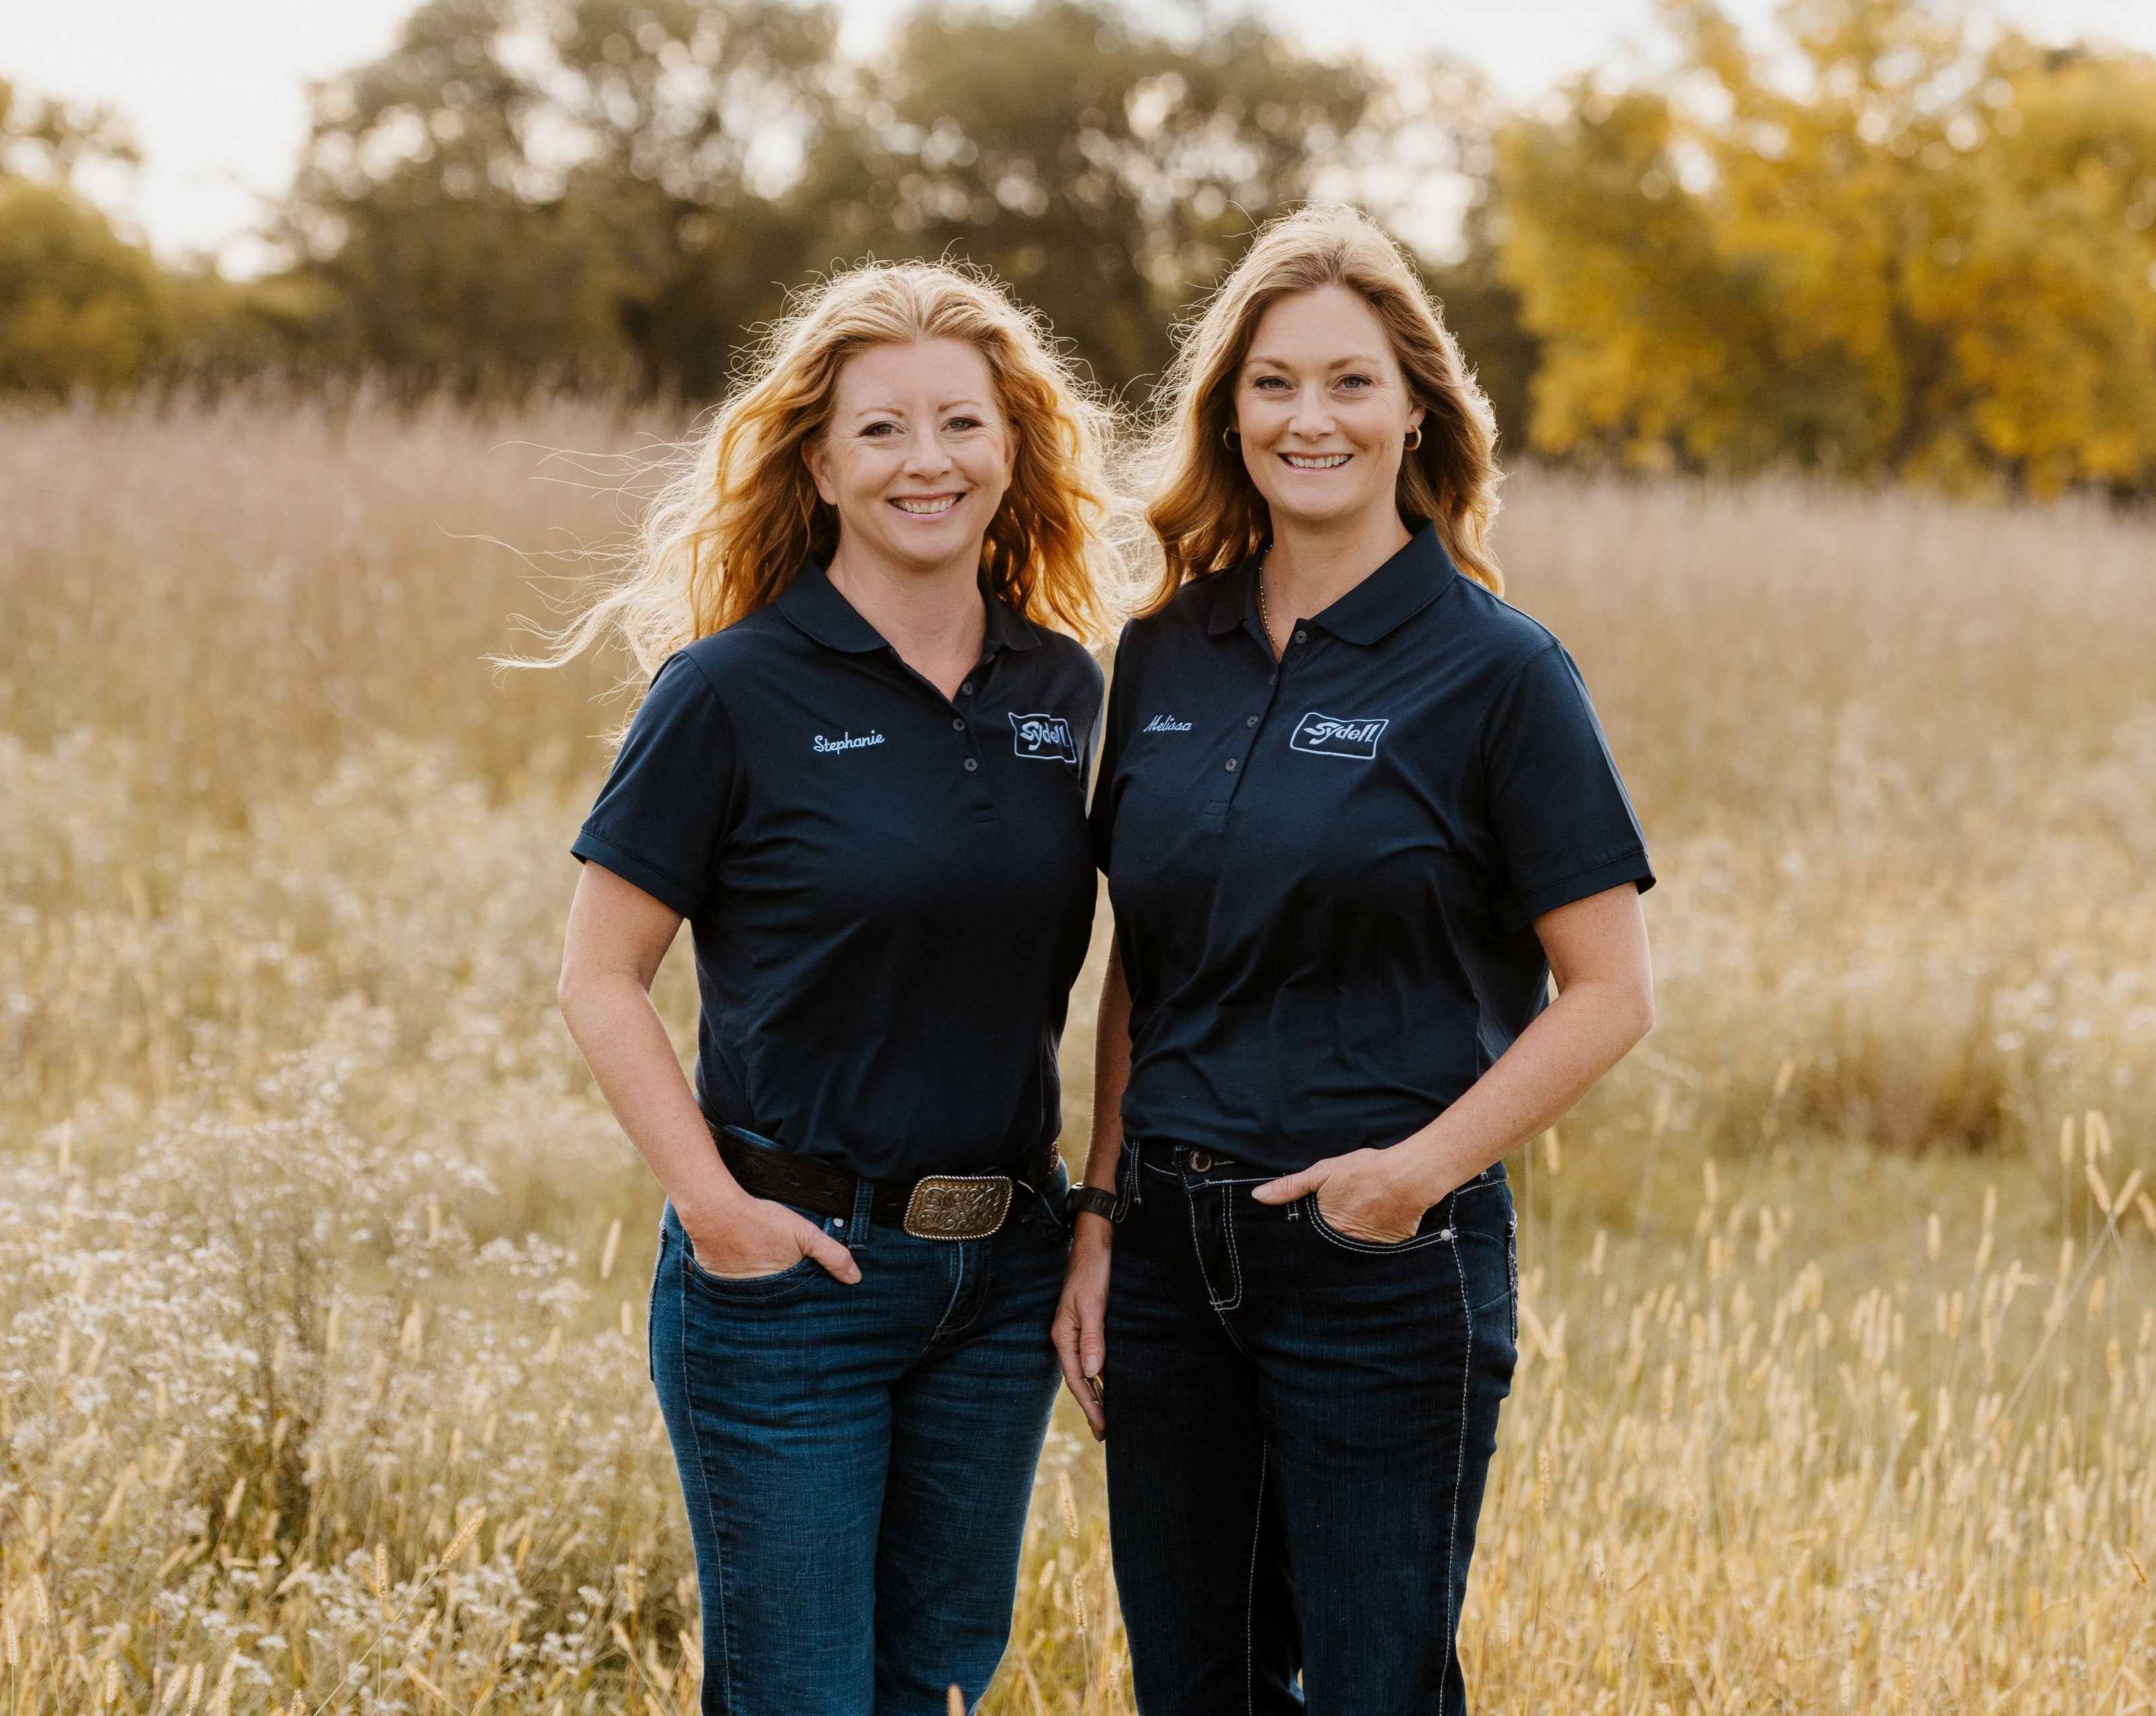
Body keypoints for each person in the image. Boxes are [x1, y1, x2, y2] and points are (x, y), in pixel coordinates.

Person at [1053, 205, 1658, 1714]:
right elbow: (1149, 959)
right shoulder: (1164, 652)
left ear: (1416, 413)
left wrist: (1407, 1181)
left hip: (1381, 1260)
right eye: (1271, 384)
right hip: (1173, 1256)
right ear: (1227, 412)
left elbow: (1612, 991)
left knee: (1379, 1690)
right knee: (1196, 1687)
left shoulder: (1496, 668)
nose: (1307, 417)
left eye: (1349, 383)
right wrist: (1103, 1214)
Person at [551, 262, 1122, 1716]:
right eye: (880, 431)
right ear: (818, 460)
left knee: (931, 1685)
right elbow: (600, 972)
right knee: (801, 1695)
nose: (924, 461)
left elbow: (1151, 973)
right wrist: (712, 1205)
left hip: (1003, 1276)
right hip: (790, 1275)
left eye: (959, 423)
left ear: (1013, 445)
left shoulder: (1067, 692)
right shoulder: (731, 690)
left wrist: (1094, 1215)